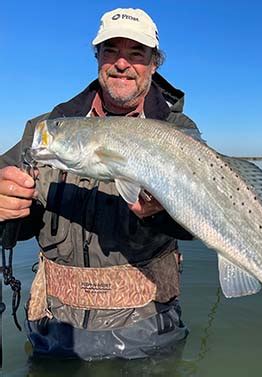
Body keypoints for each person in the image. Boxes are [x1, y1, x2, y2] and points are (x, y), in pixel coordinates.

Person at [0, 7, 197, 360]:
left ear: (154, 64)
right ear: (97, 58)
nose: (122, 63)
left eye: (136, 53)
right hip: (56, 330)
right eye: (111, 51)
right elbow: (19, 224)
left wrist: (158, 215)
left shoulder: (179, 133)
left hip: (149, 331)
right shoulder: (48, 129)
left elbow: (194, 225)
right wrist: (7, 208)